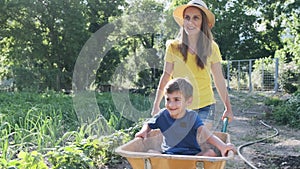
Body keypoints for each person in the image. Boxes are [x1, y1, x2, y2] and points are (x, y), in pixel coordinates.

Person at [151, 0, 234, 125]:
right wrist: (156, 105)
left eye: (196, 18)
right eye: (187, 18)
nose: (190, 22)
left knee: (199, 138)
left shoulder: (212, 47)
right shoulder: (173, 47)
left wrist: (228, 107)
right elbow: (166, 76)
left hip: (205, 106)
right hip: (180, 106)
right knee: (182, 141)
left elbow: (219, 79)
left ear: (203, 23)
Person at [136, 78, 235, 156]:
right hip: (169, 155)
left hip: (192, 155)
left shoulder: (191, 116)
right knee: (150, 153)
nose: (171, 104)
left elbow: (206, 134)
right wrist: (144, 131)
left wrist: (222, 146)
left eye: (176, 99)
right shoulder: (162, 115)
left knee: (211, 153)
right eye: (168, 99)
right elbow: (148, 123)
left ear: (188, 101)